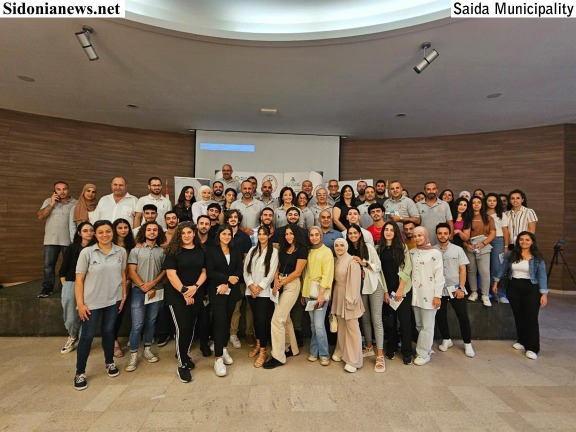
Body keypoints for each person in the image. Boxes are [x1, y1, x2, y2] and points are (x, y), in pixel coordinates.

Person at [73, 220, 127, 390]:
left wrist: (123, 295)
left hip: (113, 300)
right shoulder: (87, 252)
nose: (105, 235)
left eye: (108, 231)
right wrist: (80, 304)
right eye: (101, 232)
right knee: (87, 336)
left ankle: (109, 362)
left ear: (113, 232)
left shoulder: (121, 251)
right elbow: (79, 280)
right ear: (95, 234)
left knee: (109, 332)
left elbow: (123, 275)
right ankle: (80, 372)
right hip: (91, 303)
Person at [492, 231, 548, 360]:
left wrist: (544, 294)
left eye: (527, 240)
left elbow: (542, 275)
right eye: (521, 239)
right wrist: (496, 281)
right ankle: (522, 341)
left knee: (531, 317)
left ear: (532, 242)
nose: (524, 242)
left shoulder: (537, 257)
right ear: (518, 241)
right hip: (514, 287)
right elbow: (502, 268)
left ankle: (532, 348)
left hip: (531, 288)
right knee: (519, 315)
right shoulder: (511, 254)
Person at [163, 222, 207, 383]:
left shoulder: (201, 250)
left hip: (195, 294)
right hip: (177, 296)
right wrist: (184, 291)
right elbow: (171, 274)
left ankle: (184, 354)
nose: (186, 235)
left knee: (190, 327)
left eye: (189, 232)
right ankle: (182, 365)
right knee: (182, 328)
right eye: (183, 233)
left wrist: (195, 287)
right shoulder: (173, 251)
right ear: (179, 235)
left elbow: (204, 271)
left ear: (194, 233)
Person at [263, 224, 308, 369]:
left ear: (296, 234)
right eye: (286, 234)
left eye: (291, 233)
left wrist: (281, 283)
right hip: (280, 283)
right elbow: (278, 266)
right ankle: (291, 348)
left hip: (291, 285)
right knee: (286, 318)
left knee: (277, 320)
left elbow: (297, 272)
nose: (288, 236)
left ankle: (278, 357)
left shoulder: (302, 249)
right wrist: (276, 280)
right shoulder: (283, 248)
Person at [125, 221, 166, 372]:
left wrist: (152, 284)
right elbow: (132, 271)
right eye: (149, 229)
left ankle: (147, 349)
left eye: (155, 230)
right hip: (138, 291)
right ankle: (134, 354)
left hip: (157, 290)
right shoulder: (136, 250)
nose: (152, 232)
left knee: (151, 321)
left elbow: (164, 271)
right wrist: (144, 286)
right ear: (144, 232)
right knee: (137, 324)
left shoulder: (162, 251)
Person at [347, 223, 388, 372]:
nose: (353, 235)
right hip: (360, 287)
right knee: (364, 318)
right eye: (350, 233)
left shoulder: (369, 247)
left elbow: (378, 266)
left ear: (360, 234)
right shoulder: (348, 250)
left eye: (355, 233)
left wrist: (363, 263)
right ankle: (369, 347)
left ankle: (380, 355)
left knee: (376, 319)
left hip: (374, 285)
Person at [206, 225, 244, 377]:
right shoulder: (211, 250)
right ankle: (218, 358)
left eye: (229, 234)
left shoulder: (235, 250)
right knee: (219, 323)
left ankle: (223, 348)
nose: (227, 236)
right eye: (224, 234)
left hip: (231, 291)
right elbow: (210, 271)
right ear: (219, 235)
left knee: (227, 321)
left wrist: (228, 283)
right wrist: (226, 279)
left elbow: (239, 270)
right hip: (217, 291)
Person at [434, 223, 475, 358]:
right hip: (439, 289)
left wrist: (461, 288)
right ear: (436, 235)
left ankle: (467, 343)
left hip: (455, 288)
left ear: (449, 235)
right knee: (440, 316)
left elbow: (463, 270)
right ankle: (446, 339)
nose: (442, 236)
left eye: (445, 233)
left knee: (462, 316)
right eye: (440, 233)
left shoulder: (458, 250)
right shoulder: (432, 250)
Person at [243, 225, 279, 367]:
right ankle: (258, 345)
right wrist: (251, 285)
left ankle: (263, 351)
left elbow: (271, 273)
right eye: (260, 234)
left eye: (265, 234)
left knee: (262, 321)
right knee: (255, 320)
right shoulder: (252, 250)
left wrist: (259, 287)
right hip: (251, 291)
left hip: (263, 292)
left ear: (269, 236)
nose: (262, 236)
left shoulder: (274, 252)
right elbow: (246, 270)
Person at [379, 222, 413, 365]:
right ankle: (391, 347)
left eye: (391, 230)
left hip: (402, 290)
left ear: (396, 232)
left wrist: (400, 289)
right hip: (387, 291)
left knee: (405, 322)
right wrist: (385, 292)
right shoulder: (379, 248)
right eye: (386, 230)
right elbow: (379, 272)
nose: (388, 232)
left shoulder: (402, 247)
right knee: (390, 322)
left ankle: (407, 352)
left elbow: (407, 268)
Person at [410, 226, 444, 366]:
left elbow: (439, 275)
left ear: (425, 236)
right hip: (415, 296)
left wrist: (438, 295)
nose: (417, 238)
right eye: (415, 236)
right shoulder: (412, 252)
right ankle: (427, 348)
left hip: (429, 296)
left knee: (427, 326)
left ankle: (423, 353)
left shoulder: (435, 253)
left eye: (420, 235)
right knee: (419, 325)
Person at [58, 221, 94, 354]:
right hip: (72, 283)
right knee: (71, 316)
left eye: (91, 230)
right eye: (85, 230)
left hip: (90, 284)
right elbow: (63, 269)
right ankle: (73, 336)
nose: (89, 233)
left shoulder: (96, 248)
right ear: (79, 233)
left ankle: (83, 340)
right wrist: (66, 285)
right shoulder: (72, 248)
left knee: (87, 314)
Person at [37, 181, 77, 298]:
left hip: (68, 240)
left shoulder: (75, 203)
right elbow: (40, 216)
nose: (62, 192)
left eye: (64, 189)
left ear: (68, 190)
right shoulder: (48, 201)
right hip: (51, 240)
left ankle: (66, 287)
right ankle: (47, 287)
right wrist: (52, 204)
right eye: (58, 189)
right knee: (48, 265)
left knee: (68, 265)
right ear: (54, 191)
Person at [302, 227, 335, 366]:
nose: (314, 237)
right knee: (313, 324)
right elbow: (305, 273)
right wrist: (303, 293)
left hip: (321, 292)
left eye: (317, 235)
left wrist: (321, 294)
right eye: (312, 235)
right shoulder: (308, 251)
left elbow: (328, 274)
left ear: (321, 236)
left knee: (319, 325)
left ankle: (324, 354)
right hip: (308, 292)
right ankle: (314, 351)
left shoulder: (327, 252)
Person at [331, 238, 364, 373]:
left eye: (342, 245)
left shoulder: (352, 261)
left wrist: (351, 299)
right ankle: (341, 351)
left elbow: (355, 283)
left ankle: (353, 360)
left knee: (352, 328)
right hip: (338, 294)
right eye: (336, 245)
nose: (339, 248)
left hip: (350, 296)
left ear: (346, 246)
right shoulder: (336, 260)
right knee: (342, 327)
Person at [224, 209, 255, 348]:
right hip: (228, 278)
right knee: (235, 308)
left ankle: (249, 333)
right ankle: (233, 334)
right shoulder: (223, 234)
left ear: (238, 219)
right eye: (230, 217)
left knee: (249, 307)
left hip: (243, 277)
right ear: (227, 219)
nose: (233, 219)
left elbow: (246, 258)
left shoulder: (244, 237)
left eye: (235, 217)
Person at [461, 196, 496, 307]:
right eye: (474, 202)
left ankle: (485, 294)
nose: (476, 204)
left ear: (482, 204)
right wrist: (466, 245)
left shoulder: (488, 217)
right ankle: (474, 292)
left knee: (484, 271)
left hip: (483, 244)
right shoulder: (466, 217)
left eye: (479, 202)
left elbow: (493, 233)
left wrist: (483, 243)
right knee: (471, 270)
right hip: (470, 245)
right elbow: (464, 236)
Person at [112, 218, 136, 357]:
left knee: (121, 313)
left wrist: (127, 281)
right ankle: (113, 341)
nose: (123, 230)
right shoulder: (110, 245)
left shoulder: (132, 246)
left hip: (128, 283)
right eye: (120, 228)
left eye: (125, 227)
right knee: (113, 314)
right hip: (111, 285)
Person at [485, 193, 510, 303]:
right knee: (484, 268)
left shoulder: (502, 215)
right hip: (484, 240)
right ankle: (486, 292)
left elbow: (505, 231)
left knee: (497, 267)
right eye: (489, 200)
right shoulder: (482, 214)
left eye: (494, 200)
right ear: (486, 202)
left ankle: (498, 293)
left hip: (498, 241)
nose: (492, 203)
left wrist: (506, 246)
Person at [416, 181, 453, 245]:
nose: (431, 191)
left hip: (441, 241)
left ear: (437, 190)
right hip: (423, 242)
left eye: (433, 189)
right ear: (424, 191)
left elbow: (450, 222)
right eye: (428, 189)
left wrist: (451, 236)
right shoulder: (418, 205)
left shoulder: (444, 204)